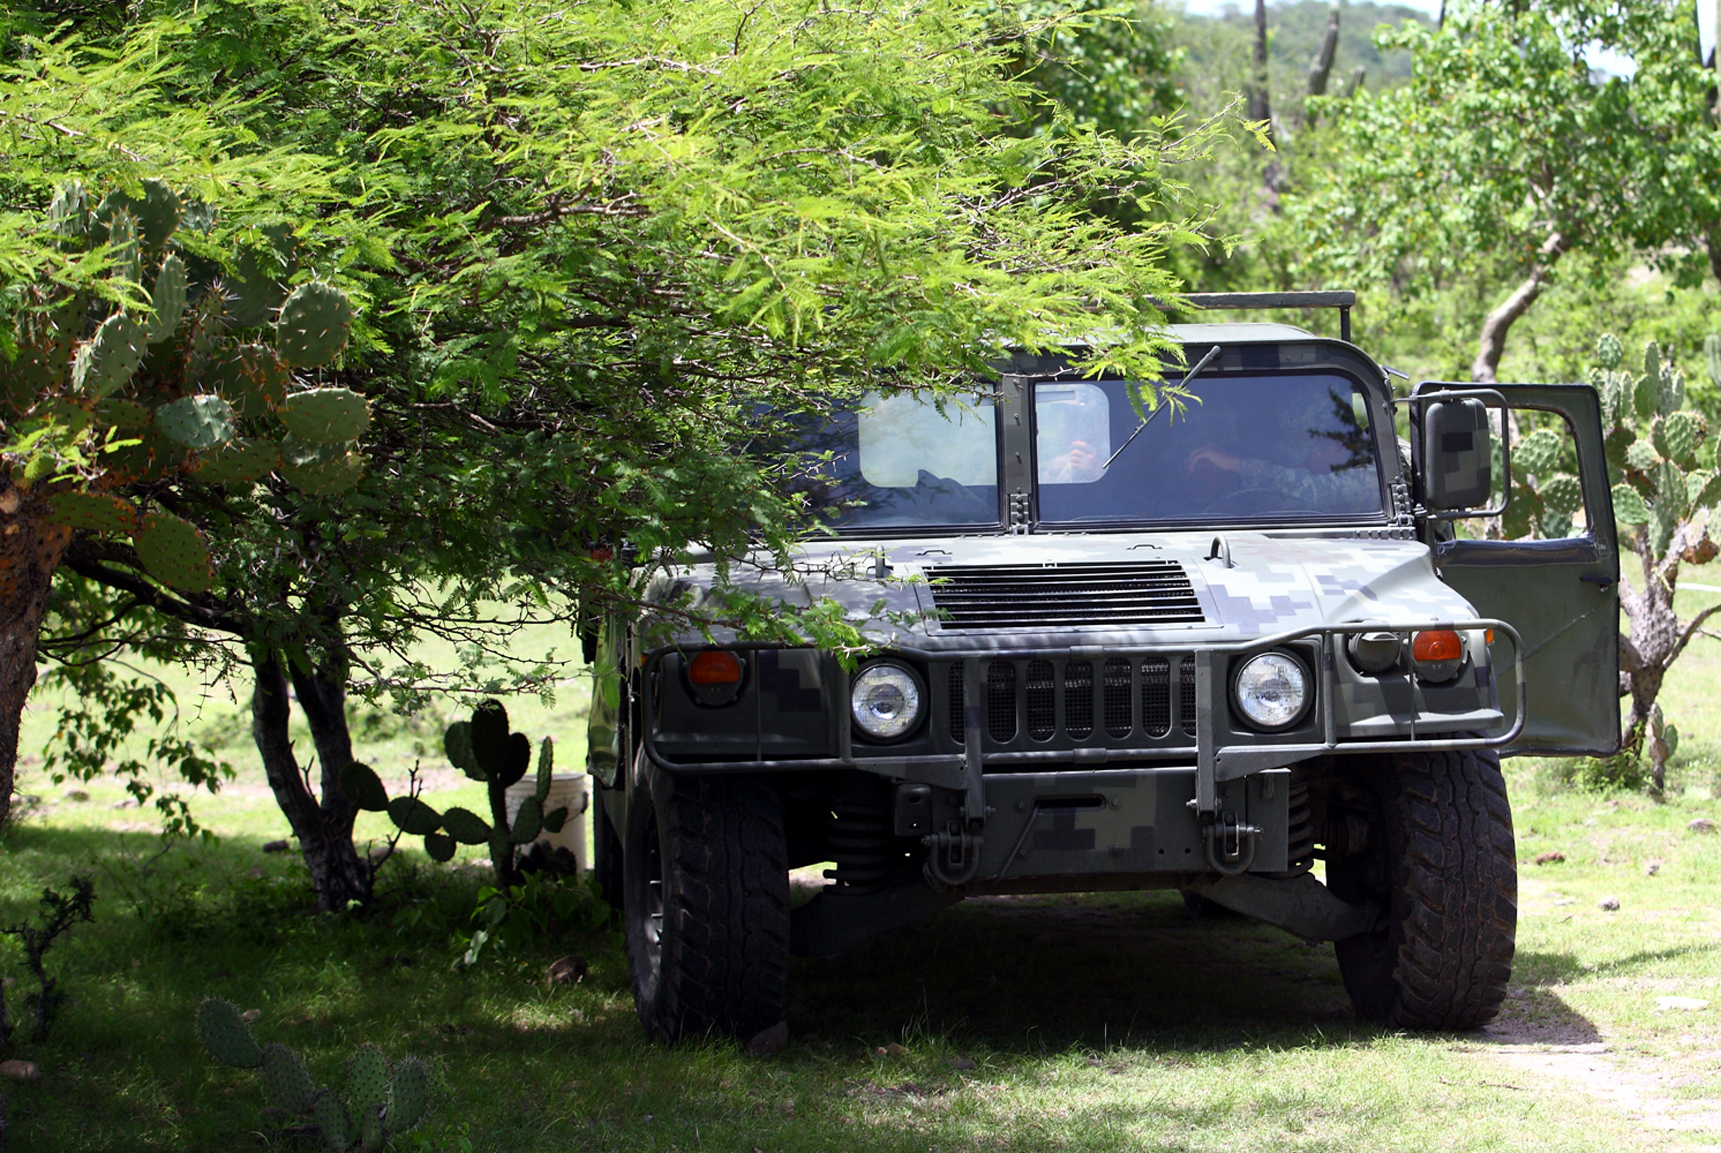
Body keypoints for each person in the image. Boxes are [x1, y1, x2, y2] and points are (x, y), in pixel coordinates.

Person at [1185, 390, 1379, 513]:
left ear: (1335, 443)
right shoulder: (1345, 460)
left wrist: (1237, 465)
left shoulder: (1377, 472)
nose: (1298, 465)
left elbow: (1318, 493)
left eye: (1305, 456)